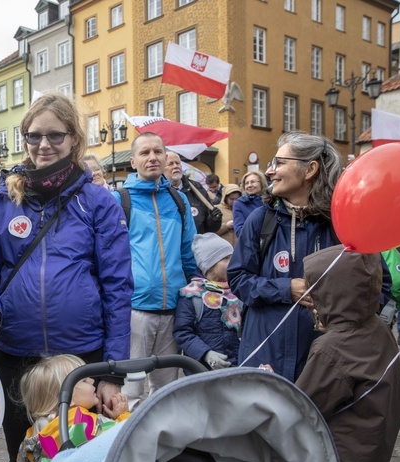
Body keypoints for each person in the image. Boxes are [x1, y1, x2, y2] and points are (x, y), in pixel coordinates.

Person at [0, 92, 133, 462]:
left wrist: (112, 372)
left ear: (74, 139)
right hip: (16, 356)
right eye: (33, 136)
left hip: (82, 358)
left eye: (54, 136)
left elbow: (117, 286)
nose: (43, 145)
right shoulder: (0, 201)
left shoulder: (98, 201)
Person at [228, 132, 343, 381]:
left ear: (310, 168)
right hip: (264, 352)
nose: (270, 172)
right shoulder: (260, 219)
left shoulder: (341, 224)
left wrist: (337, 311)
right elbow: (237, 279)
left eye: (279, 163)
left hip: (320, 358)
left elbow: (375, 289)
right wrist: (285, 288)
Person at [296, 246, 400, 462]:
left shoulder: (332, 348)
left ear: (331, 293)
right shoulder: (376, 327)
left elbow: (305, 405)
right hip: (365, 453)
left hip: (338, 460)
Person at [113, 133, 197, 408]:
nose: (153, 157)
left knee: (167, 391)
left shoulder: (179, 200)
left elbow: (188, 252)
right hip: (135, 310)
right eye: (145, 152)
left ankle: (165, 448)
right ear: (133, 161)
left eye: (158, 152)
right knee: (131, 390)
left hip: (173, 309)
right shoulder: (119, 200)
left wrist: (194, 291)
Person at [14, 354, 130, 462]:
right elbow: (127, 436)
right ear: (67, 396)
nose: (92, 380)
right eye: (84, 380)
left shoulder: (35, 432)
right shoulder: (85, 424)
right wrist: (122, 415)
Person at [174, 233, 241, 372]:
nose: (232, 262)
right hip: (202, 371)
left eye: (232, 257)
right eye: (225, 258)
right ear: (209, 264)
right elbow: (182, 332)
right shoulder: (192, 295)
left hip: (235, 368)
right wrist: (206, 354)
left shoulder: (238, 292)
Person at [167, 152, 222, 234]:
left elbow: (209, 228)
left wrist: (214, 220)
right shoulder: (159, 192)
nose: (175, 166)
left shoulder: (197, 189)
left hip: (197, 244)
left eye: (178, 163)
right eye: (170, 164)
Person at [232, 170, 268, 237]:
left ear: (262, 183)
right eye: (246, 183)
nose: (249, 185)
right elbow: (239, 232)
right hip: (253, 244)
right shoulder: (239, 204)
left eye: (253, 182)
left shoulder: (270, 201)